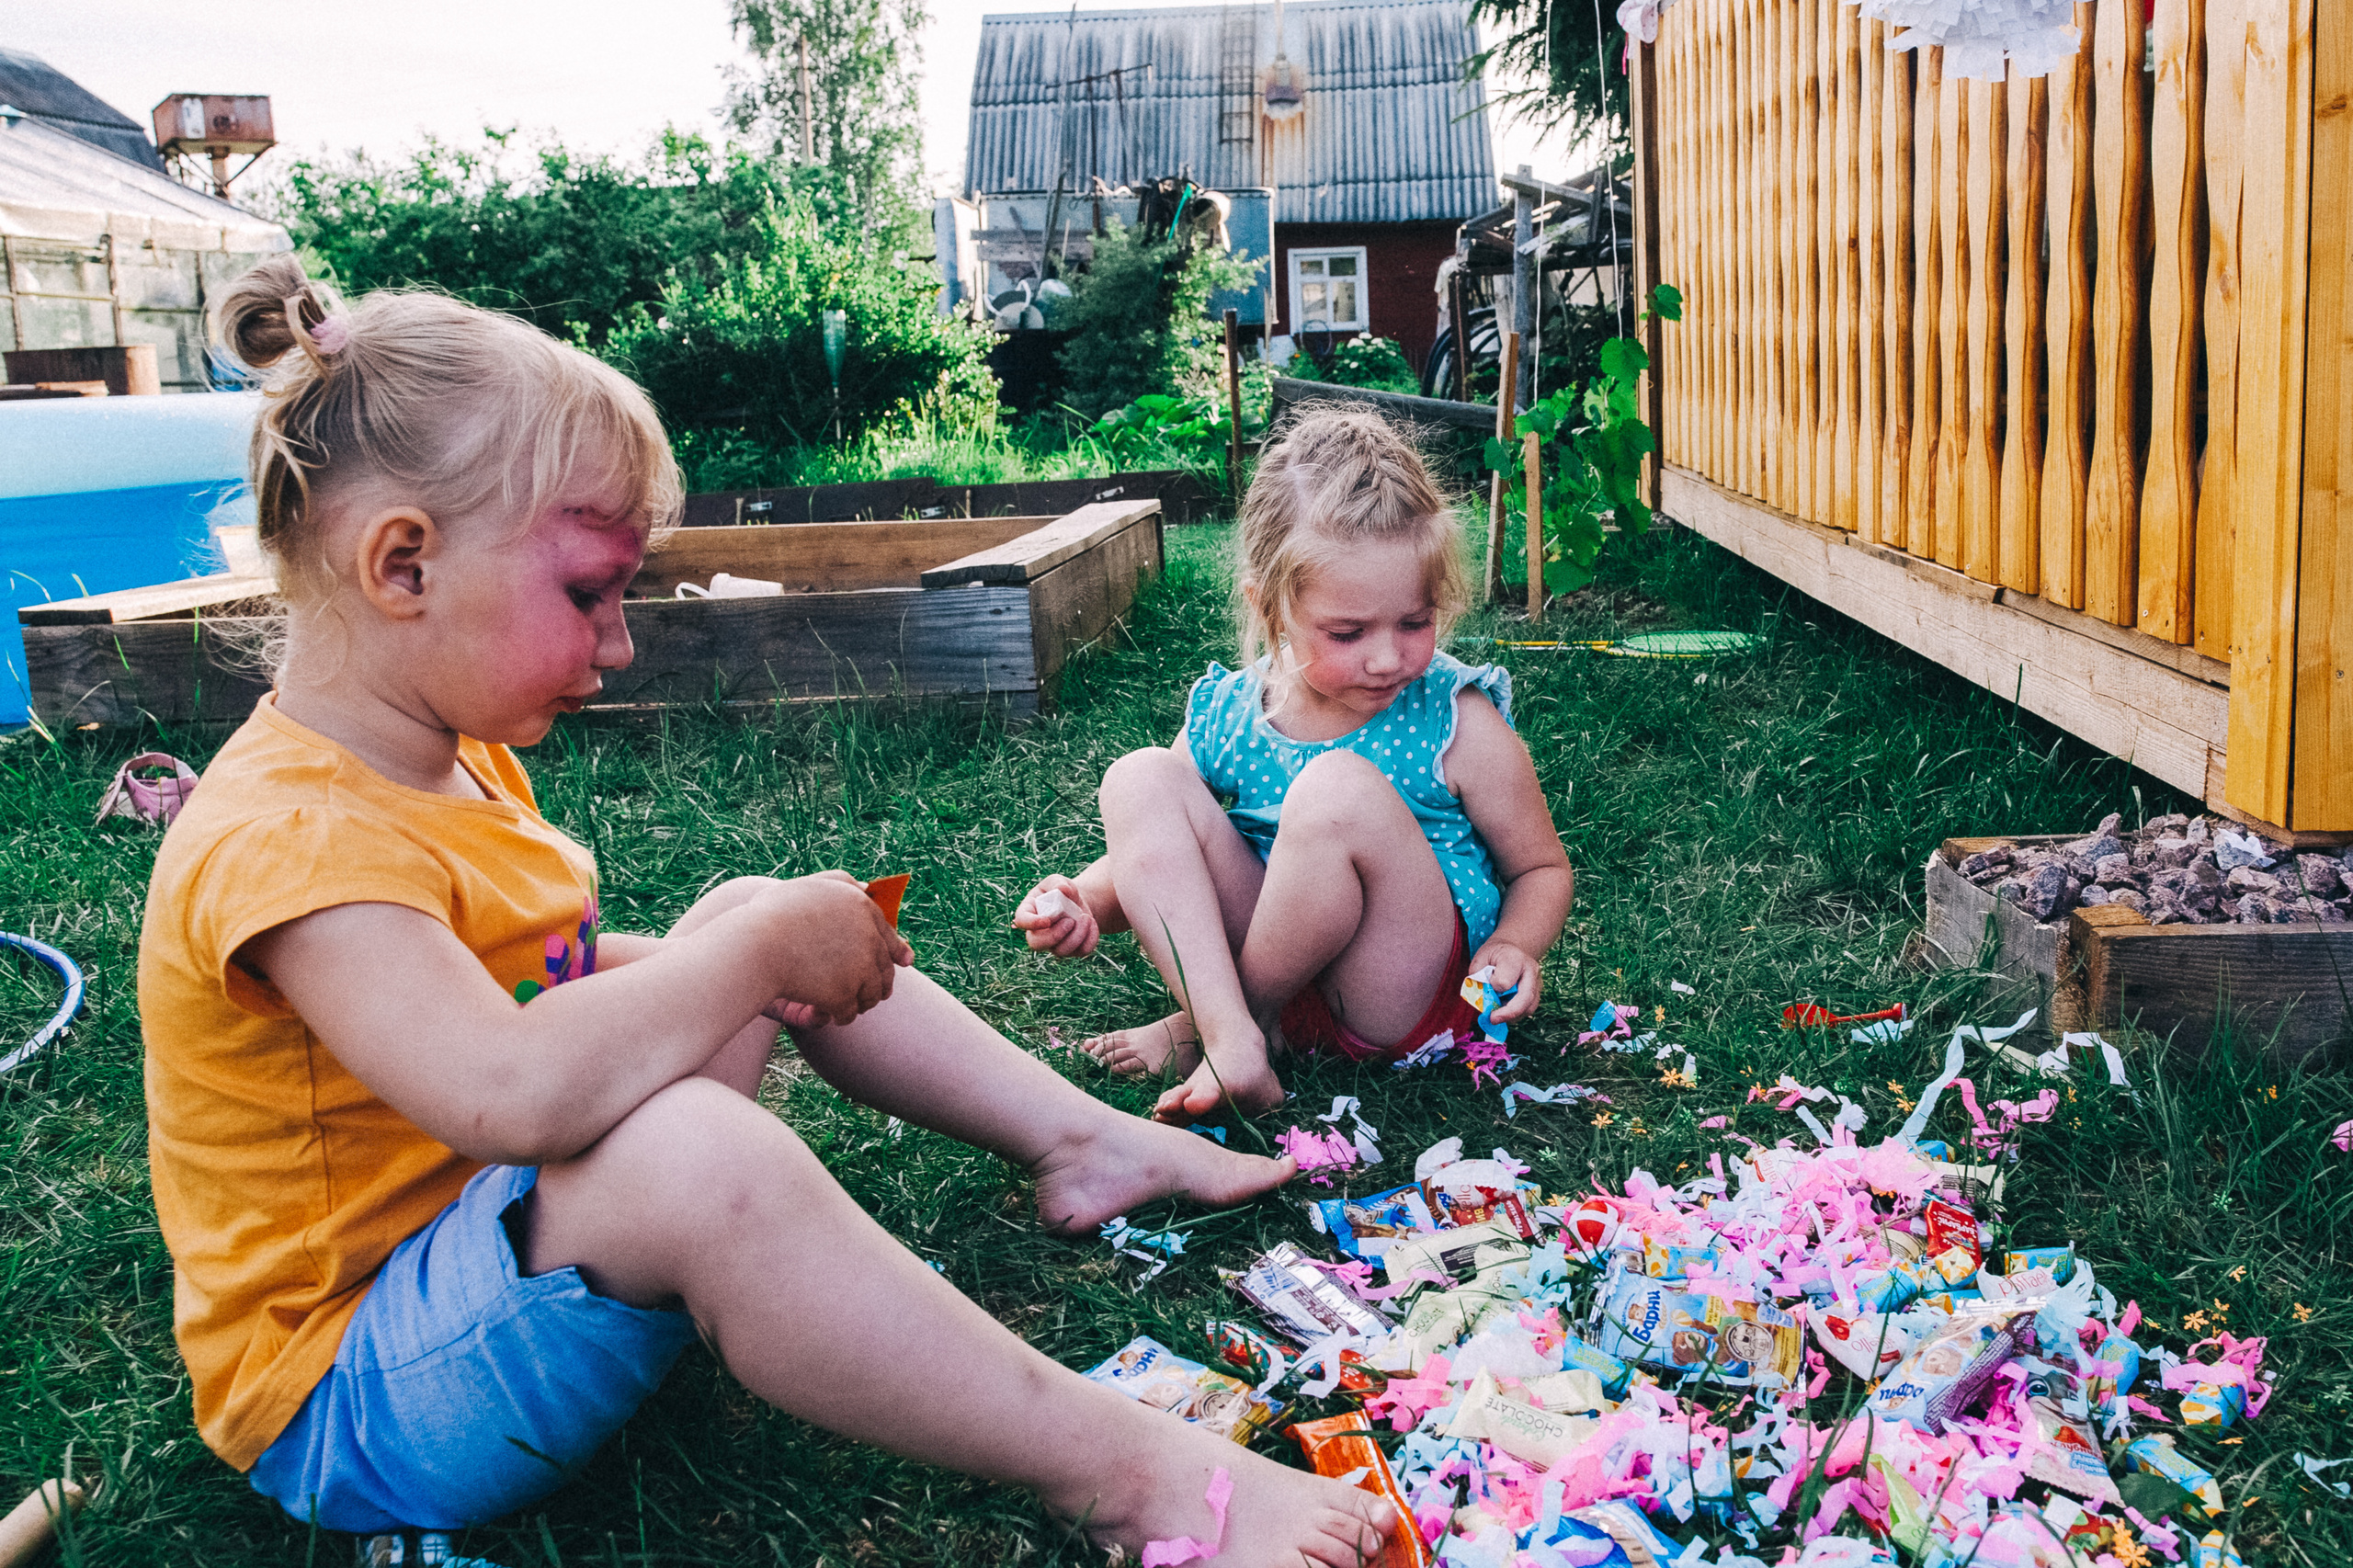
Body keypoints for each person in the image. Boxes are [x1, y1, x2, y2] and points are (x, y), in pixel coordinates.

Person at [135, 257, 1394, 1565]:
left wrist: (752, 940)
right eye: (588, 591)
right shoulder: (296, 840)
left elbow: (527, 977)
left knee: (751, 912)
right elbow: (506, 1086)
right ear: (403, 564)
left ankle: (1085, 1145)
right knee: (700, 1138)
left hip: (483, 1253)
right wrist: (737, 962)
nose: (619, 641)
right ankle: (1137, 1477)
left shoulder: (439, 757)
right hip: (357, 1398)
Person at [1013, 407, 1574, 1122]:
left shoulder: (1453, 717)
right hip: (1280, 975)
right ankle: (1237, 1035)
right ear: (1270, 609)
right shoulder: (1230, 713)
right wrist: (1085, 901)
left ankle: (1221, 1025)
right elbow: (1165, 849)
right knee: (1140, 778)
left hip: (1395, 992)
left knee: (1335, 790)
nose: (1387, 657)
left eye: (1415, 621)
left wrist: (1515, 943)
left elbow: (1541, 869)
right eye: (1347, 632)